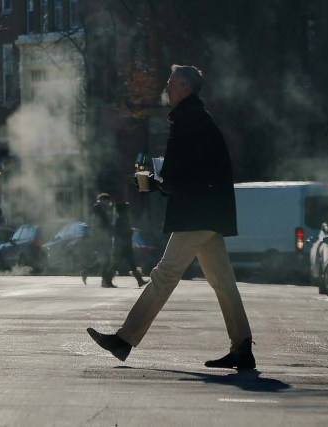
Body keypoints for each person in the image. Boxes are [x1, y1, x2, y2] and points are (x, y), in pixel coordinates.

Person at [87, 65, 255, 370]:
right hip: (208, 210)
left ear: (187, 88)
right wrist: (159, 180)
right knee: (223, 282)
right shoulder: (196, 117)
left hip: (197, 212)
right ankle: (242, 347)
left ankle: (124, 339)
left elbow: (178, 170)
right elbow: (190, 168)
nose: (167, 89)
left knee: (164, 276)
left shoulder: (188, 119)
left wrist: (152, 180)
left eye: (171, 84)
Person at [109, 202, 149, 287]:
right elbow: (122, 232)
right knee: (116, 264)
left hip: (124, 245)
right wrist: (131, 231)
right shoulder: (122, 219)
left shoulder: (122, 218)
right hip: (122, 246)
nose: (129, 210)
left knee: (131, 264)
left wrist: (131, 230)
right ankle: (107, 281)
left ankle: (140, 281)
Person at [81, 193, 115, 288]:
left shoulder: (102, 210)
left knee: (105, 260)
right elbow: (99, 226)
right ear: (104, 200)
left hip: (104, 238)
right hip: (101, 239)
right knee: (106, 260)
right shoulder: (99, 210)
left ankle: (89, 273)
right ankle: (105, 281)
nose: (109, 203)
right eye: (108, 201)